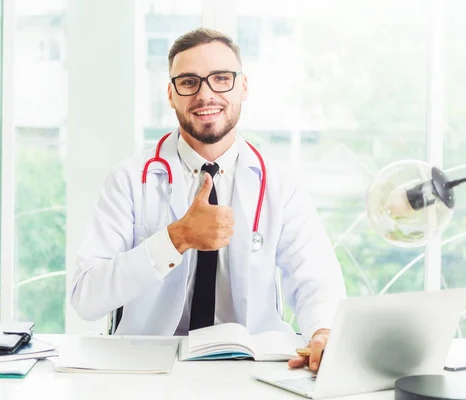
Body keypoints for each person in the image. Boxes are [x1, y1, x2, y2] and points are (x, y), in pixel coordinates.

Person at [70, 28, 346, 372]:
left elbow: (316, 278)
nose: (205, 94)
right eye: (189, 82)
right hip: (144, 368)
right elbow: (87, 298)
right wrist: (176, 239)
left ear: (243, 87)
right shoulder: (128, 180)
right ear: (171, 95)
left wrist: (322, 330)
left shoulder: (279, 184)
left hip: (254, 366)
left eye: (221, 79)